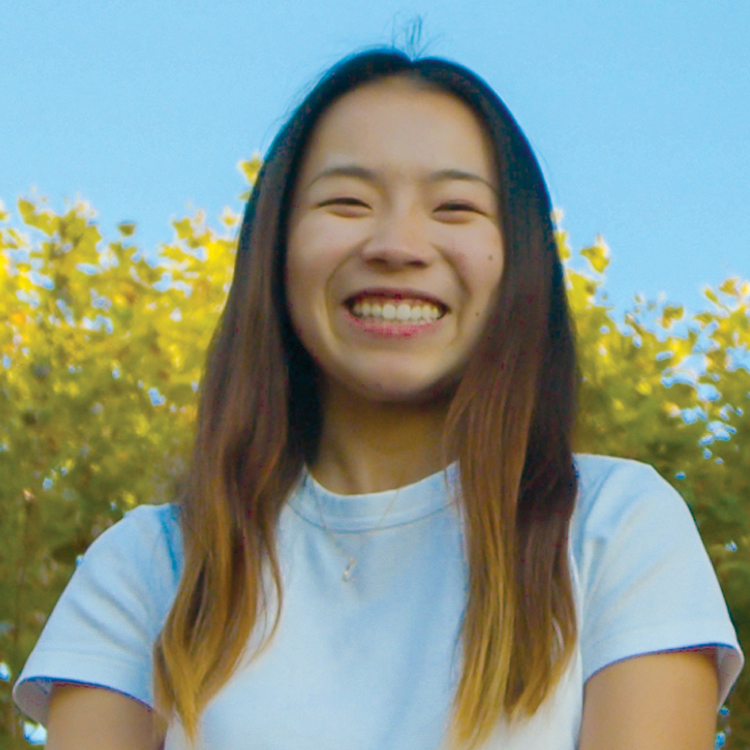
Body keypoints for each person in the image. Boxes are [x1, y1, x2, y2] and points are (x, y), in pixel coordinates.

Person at [12, 48, 743, 750]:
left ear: (517, 261)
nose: (398, 243)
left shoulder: (616, 531)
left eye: (455, 208)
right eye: (347, 201)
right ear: (276, 249)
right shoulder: (148, 568)